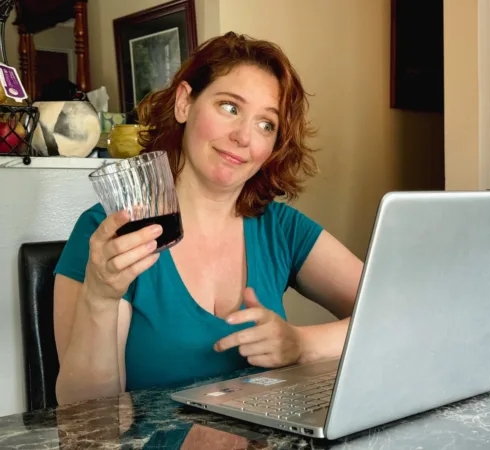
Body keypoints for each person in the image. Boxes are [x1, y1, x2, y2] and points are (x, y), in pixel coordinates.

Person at [53, 31, 363, 405]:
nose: (244, 137)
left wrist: (301, 344)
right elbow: (85, 421)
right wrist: (99, 299)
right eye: (230, 107)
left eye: (266, 124)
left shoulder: (282, 229)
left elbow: (398, 315)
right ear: (185, 103)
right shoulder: (113, 232)